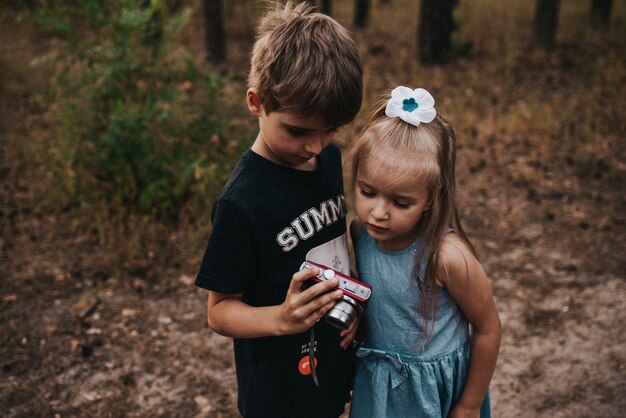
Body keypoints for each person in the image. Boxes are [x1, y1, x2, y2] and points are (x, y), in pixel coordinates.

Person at [194, 2, 363, 417]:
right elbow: (219, 312)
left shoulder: (327, 158)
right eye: (298, 131)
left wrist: (352, 306)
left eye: (329, 131)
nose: (314, 146)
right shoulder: (240, 202)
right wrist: (281, 319)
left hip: (333, 359)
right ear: (256, 102)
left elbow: (334, 245)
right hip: (278, 389)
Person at [346, 86, 501, 417]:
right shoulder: (360, 234)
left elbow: (488, 328)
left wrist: (471, 405)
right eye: (367, 192)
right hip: (380, 388)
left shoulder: (446, 257)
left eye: (401, 202)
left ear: (431, 198)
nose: (378, 213)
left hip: (435, 392)